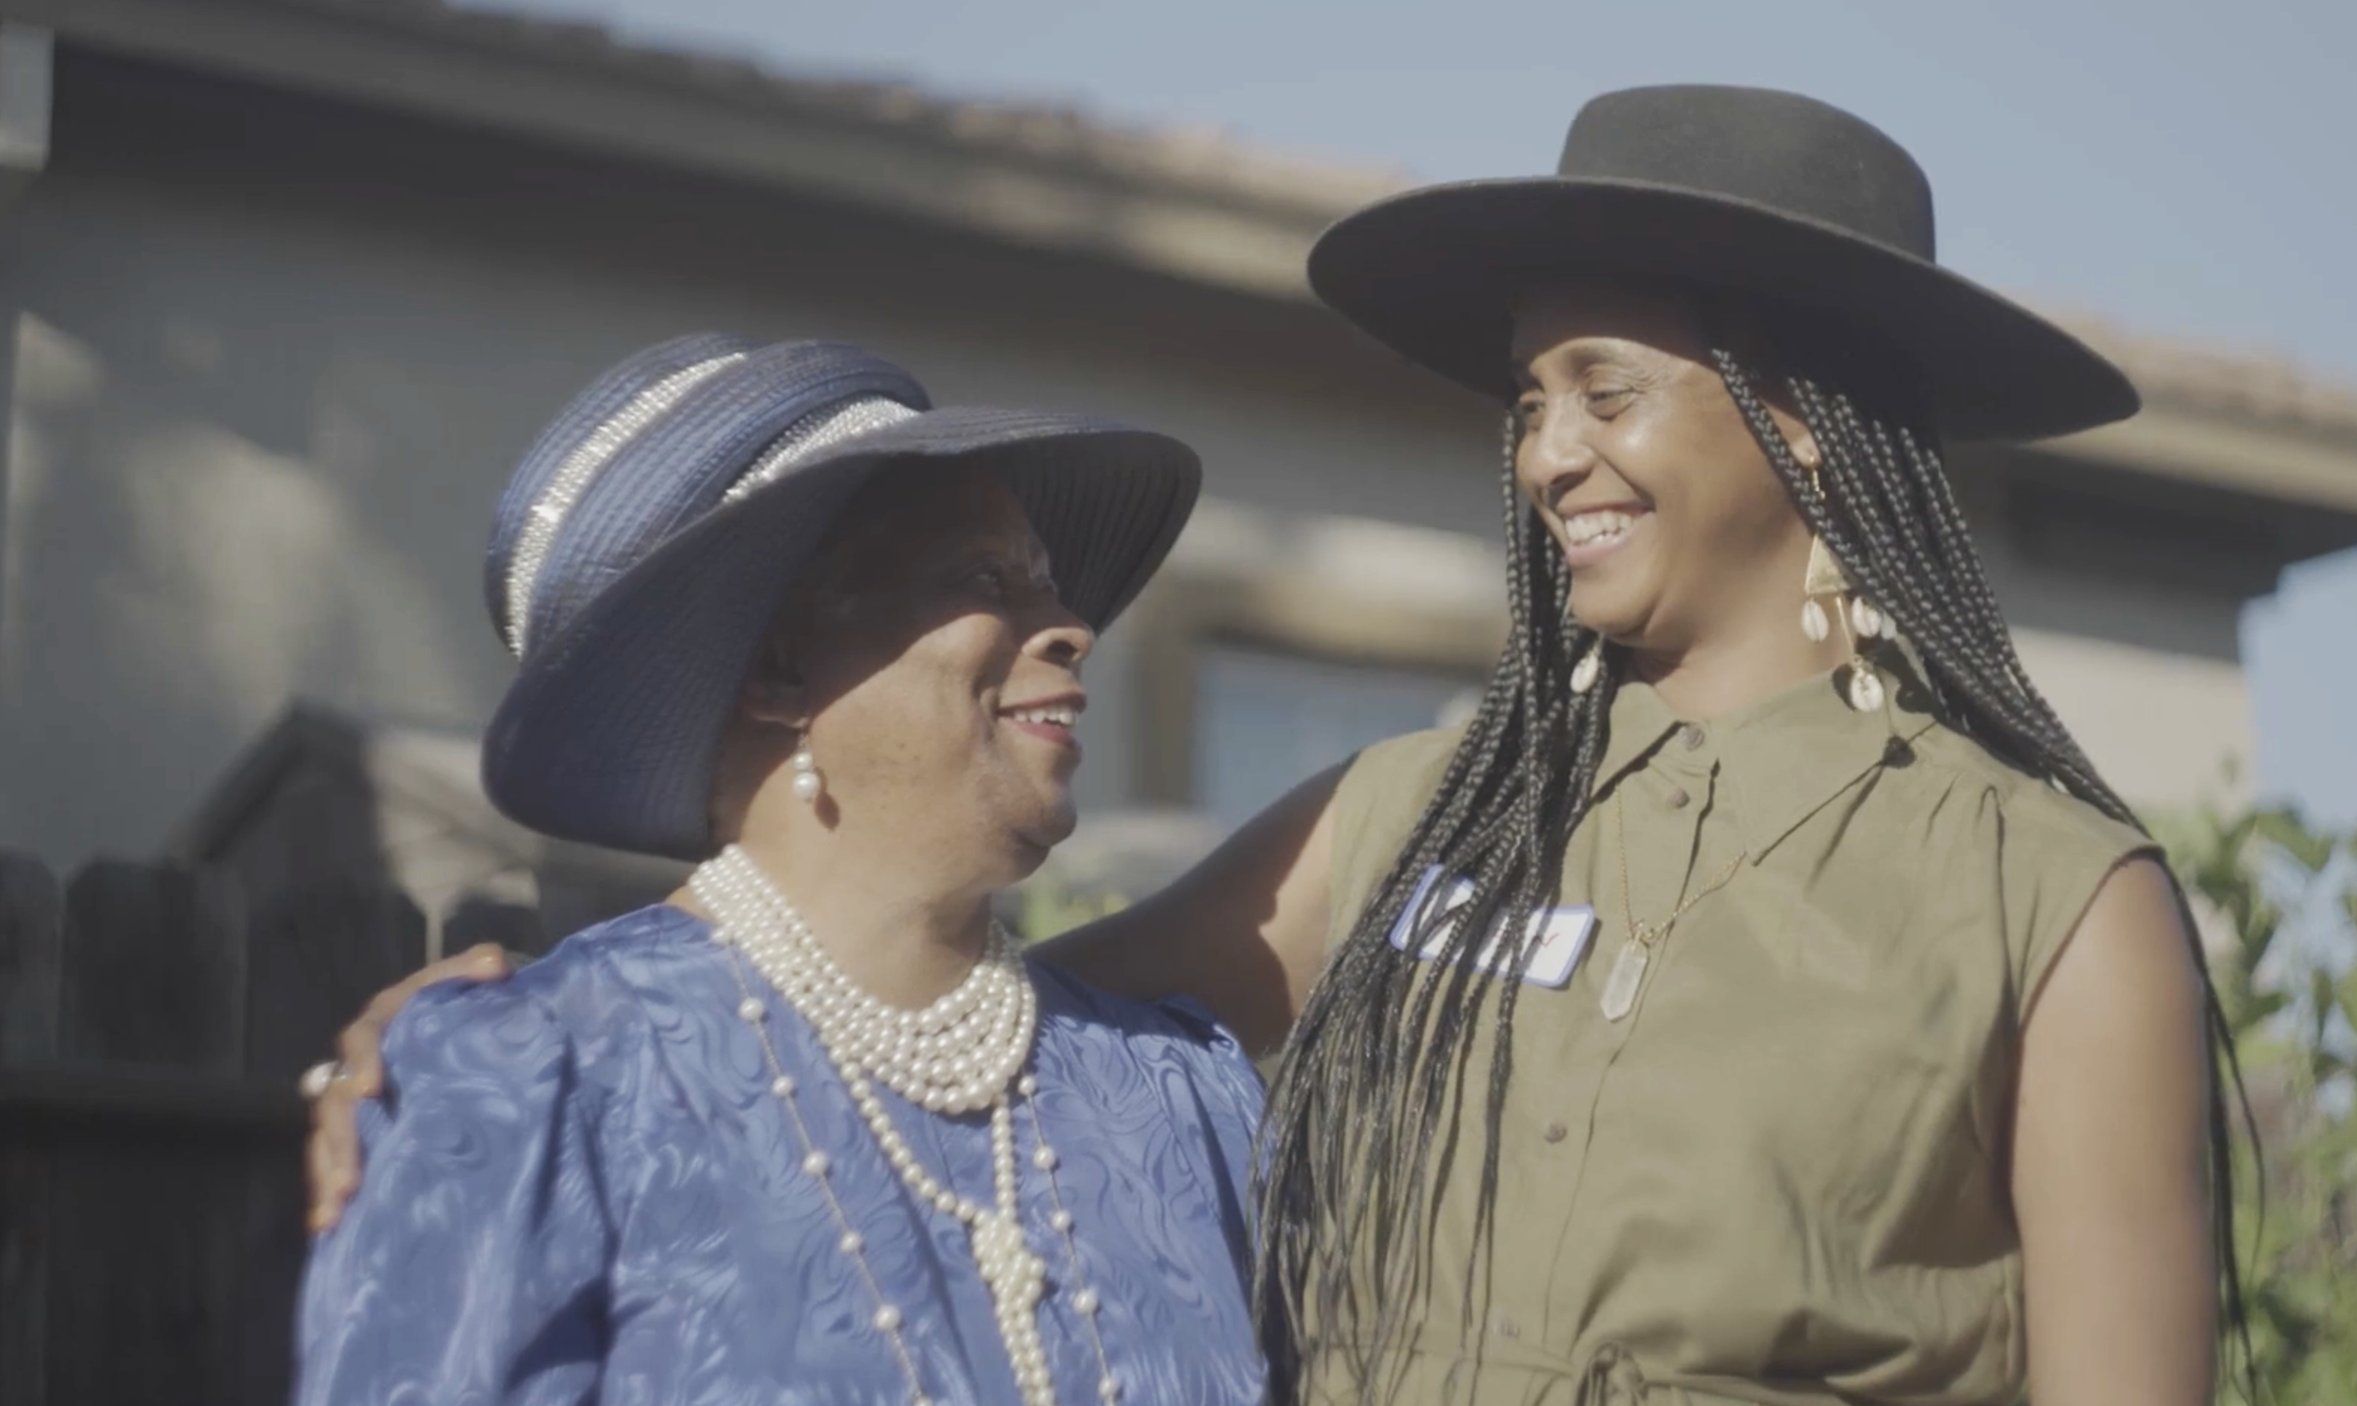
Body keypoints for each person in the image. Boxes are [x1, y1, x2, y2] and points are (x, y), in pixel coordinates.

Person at [307, 89, 2227, 1405]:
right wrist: (483, 1057)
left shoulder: (2051, 905)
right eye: (1528, 400)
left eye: (1606, 390)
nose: (1546, 455)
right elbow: (929, 1023)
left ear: (1803, 416)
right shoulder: (1412, 818)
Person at [290, 334, 1268, 1406]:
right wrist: (470, 1074)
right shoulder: (544, 1079)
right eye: (987, 578)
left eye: (1052, 585)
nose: (1073, 629)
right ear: (778, 666)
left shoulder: (1176, 1091)